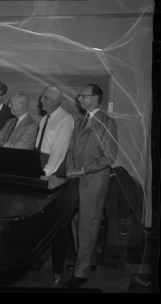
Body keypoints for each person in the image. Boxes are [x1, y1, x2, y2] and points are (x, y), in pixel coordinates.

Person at [64, 84, 118, 289]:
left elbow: (109, 157)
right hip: (76, 180)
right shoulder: (80, 121)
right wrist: (70, 168)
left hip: (93, 182)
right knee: (76, 223)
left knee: (87, 226)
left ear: (96, 98)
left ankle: (81, 273)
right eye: (79, 97)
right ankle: (87, 262)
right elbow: (70, 149)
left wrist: (81, 169)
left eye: (83, 96)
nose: (79, 100)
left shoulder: (108, 123)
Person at [29, 85, 74, 287]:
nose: (41, 101)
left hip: (53, 173)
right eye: (41, 97)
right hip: (41, 169)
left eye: (45, 98)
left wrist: (44, 174)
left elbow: (59, 151)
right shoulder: (45, 118)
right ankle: (39, 258)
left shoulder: (65, 119)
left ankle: (57, 271)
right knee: (39, 220)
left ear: (57, 100)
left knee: (58, 226)